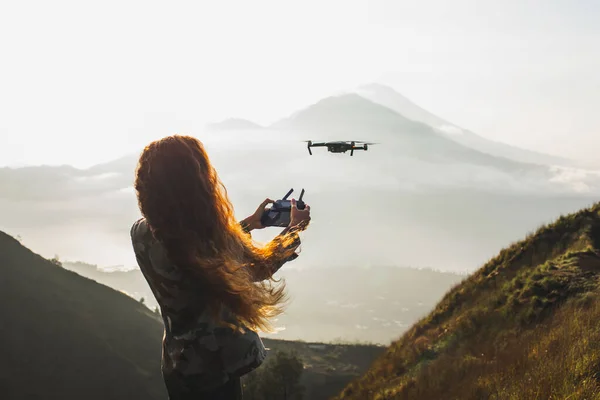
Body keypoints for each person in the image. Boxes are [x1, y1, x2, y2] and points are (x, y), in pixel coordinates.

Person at [130, 135, 311, 399]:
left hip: (178, 365)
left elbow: (199, 257)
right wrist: (293, 230)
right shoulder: (205, 239)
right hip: (215, 366)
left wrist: (249, 225)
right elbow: (256, 269)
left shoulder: (141, 232)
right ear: (197, 181)